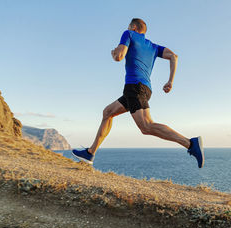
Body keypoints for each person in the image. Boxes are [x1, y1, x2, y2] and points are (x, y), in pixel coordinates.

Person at [72, 18, 204, 168]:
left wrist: (114, 53)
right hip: (143, 89)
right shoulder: (153, 46)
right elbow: (174, 57)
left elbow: (119, 57)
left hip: (135, 87)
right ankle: (90, 153)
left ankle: (190, 144)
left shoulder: (128, 34)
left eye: (129, 26)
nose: (127, 28)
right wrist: (170, 81)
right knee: (108, 112)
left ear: (133, 27)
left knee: (146, 126)